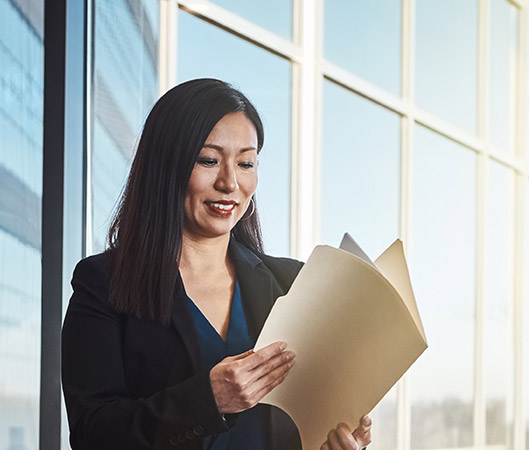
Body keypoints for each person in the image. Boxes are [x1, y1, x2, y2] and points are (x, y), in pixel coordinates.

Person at [62, 78, 373, 450]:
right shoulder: (105, 283)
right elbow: (91, 433)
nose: (230, 182)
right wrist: (208, 401)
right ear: (166, 166)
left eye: (246, 163)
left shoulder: (294, 282)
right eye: (209, 160)